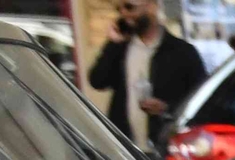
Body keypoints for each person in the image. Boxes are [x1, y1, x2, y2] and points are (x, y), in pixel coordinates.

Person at [85, 0, 206, 151]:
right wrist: (112, 44)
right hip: (126, 149)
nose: (123, 13)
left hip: (166, 150)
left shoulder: (183, 52)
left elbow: (201, 101)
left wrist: (167, 108)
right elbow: (97, 81)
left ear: (152, 7)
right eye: (119, 8)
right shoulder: (121, 48)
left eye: (129, 7)